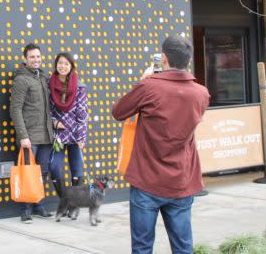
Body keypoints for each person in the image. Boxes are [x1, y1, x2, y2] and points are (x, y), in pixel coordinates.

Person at [112, 36, 210, 254]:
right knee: (183, 247)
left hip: (147, 179)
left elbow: (118, 112)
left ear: (163, 58)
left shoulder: (149, 87)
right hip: (181, 180)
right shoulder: (201, 93)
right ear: (188, 60)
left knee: (142, 248)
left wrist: (142, 82)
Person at [9, 43, 54, 223]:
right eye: (32, 57)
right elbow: (15, 109)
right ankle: (26, 209)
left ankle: (39, 205)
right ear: (25, 59)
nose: (36, 60)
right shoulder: (21, 80)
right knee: (28, 172)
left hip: (46, 134)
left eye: (38, 56)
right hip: (30, 136)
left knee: (42, 173)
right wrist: (23, 136)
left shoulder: (44, 77)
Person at [48, 52, 89, 198]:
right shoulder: (49, 84)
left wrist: (81, 137)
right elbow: (47, 110)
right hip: (58, 134)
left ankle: (74, 204)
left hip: (75, 134)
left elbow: (82, 113)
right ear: (56, 65)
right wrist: (54, 122)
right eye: (60, 63)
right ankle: (65, 199)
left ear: (71, 66)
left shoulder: (79, 86)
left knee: (77, 171)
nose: (63, 66)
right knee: (54, 168)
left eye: (66, 64)